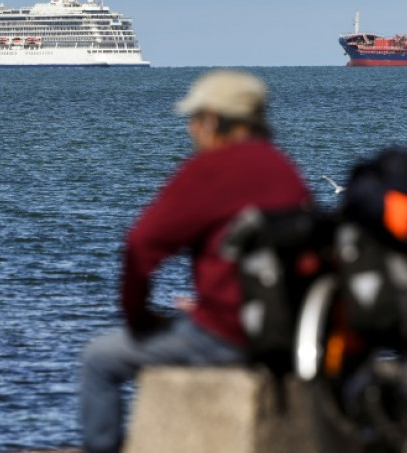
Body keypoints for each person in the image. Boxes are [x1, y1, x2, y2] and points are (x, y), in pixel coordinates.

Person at [79, 70, 311, 453]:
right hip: (287, 332)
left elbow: (140, 244)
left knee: (99, 359)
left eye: (195, 119)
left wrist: (141, 321)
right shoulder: (284, 168)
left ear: (214, 121)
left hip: (228, 335)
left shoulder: (210, 169)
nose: (190, 128)